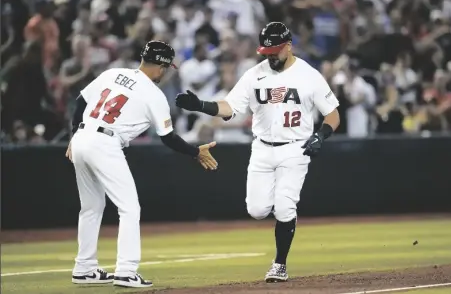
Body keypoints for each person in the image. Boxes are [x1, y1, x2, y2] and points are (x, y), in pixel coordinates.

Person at [175, 22, 340, 282]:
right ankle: (282, 223)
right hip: (262, 148)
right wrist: (201, 105)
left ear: (288, 46)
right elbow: (230, 107)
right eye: (266, 51)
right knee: (257, 210)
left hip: (296, 148)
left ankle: (279, 264)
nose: (269, 55)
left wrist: (321, 135)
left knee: (285, 206)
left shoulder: (309, 75)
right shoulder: (255, 74)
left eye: (274, 50)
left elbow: (332, 113)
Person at [66, 40, 218, 288]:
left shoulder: (113, 72)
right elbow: (168, 138)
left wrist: (74, 135)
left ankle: (84, 268)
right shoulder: (153, 94)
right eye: (166, 67)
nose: (166, 72)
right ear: (160, 65)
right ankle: (126, 271)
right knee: (129, 208)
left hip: (83, 137)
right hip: (105, 142)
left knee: (91, 207)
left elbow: (81, 102)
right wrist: (194, 152)